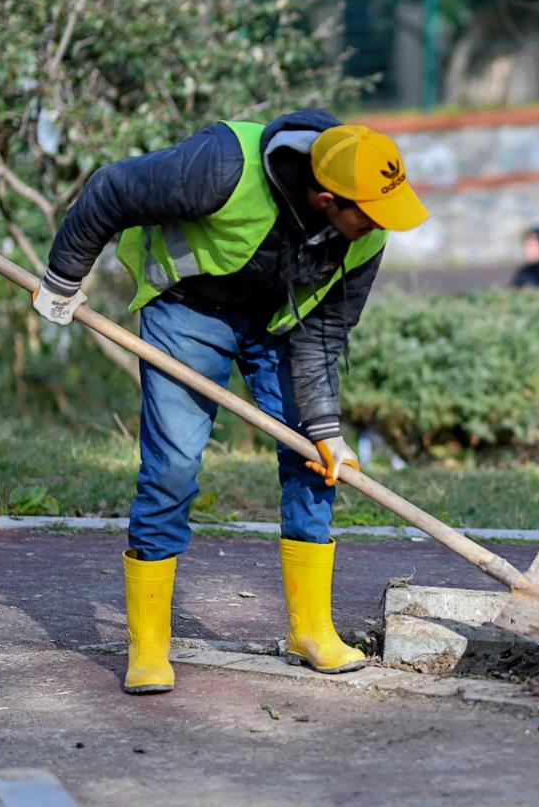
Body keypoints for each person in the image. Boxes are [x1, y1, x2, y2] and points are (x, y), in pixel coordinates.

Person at [33, 109, 429, 693]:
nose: (378, 228)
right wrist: (63, 280)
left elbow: (324, 332)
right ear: (326, 198)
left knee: (316, 462)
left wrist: (324, 426)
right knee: (172, 468)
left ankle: (311, 629)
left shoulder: (366, 232)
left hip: (280, 321)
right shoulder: (221, 165)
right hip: (189, 309)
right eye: (368, 217)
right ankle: (148, 644)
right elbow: (111, 189)